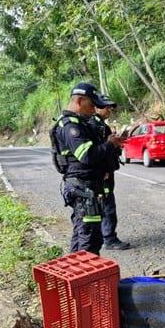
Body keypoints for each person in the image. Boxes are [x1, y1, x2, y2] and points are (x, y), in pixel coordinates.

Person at [51, 83, 124, 255]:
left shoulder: (81, 123)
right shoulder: (71, 126)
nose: (93, 110)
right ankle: (85, 280)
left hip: (88, 188)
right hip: (83, 190)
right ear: (79, 101)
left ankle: (76, 277)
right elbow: (87, 156)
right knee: (89, 241)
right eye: (91, 105)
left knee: (82, 235)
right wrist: (109, 144)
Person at [90, 94, 132, 250]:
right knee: (107, 207)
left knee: (106, 205)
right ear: (95, 107)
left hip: (107, 172)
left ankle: (106, 236)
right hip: (102, 175)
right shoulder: (94, 126)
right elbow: (96, 152)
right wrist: (103, 170)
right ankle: (109, 238)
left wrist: (117, 142)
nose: (109, 110)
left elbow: (107, 148)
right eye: (105, 106)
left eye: (110, 107)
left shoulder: (102, 125)